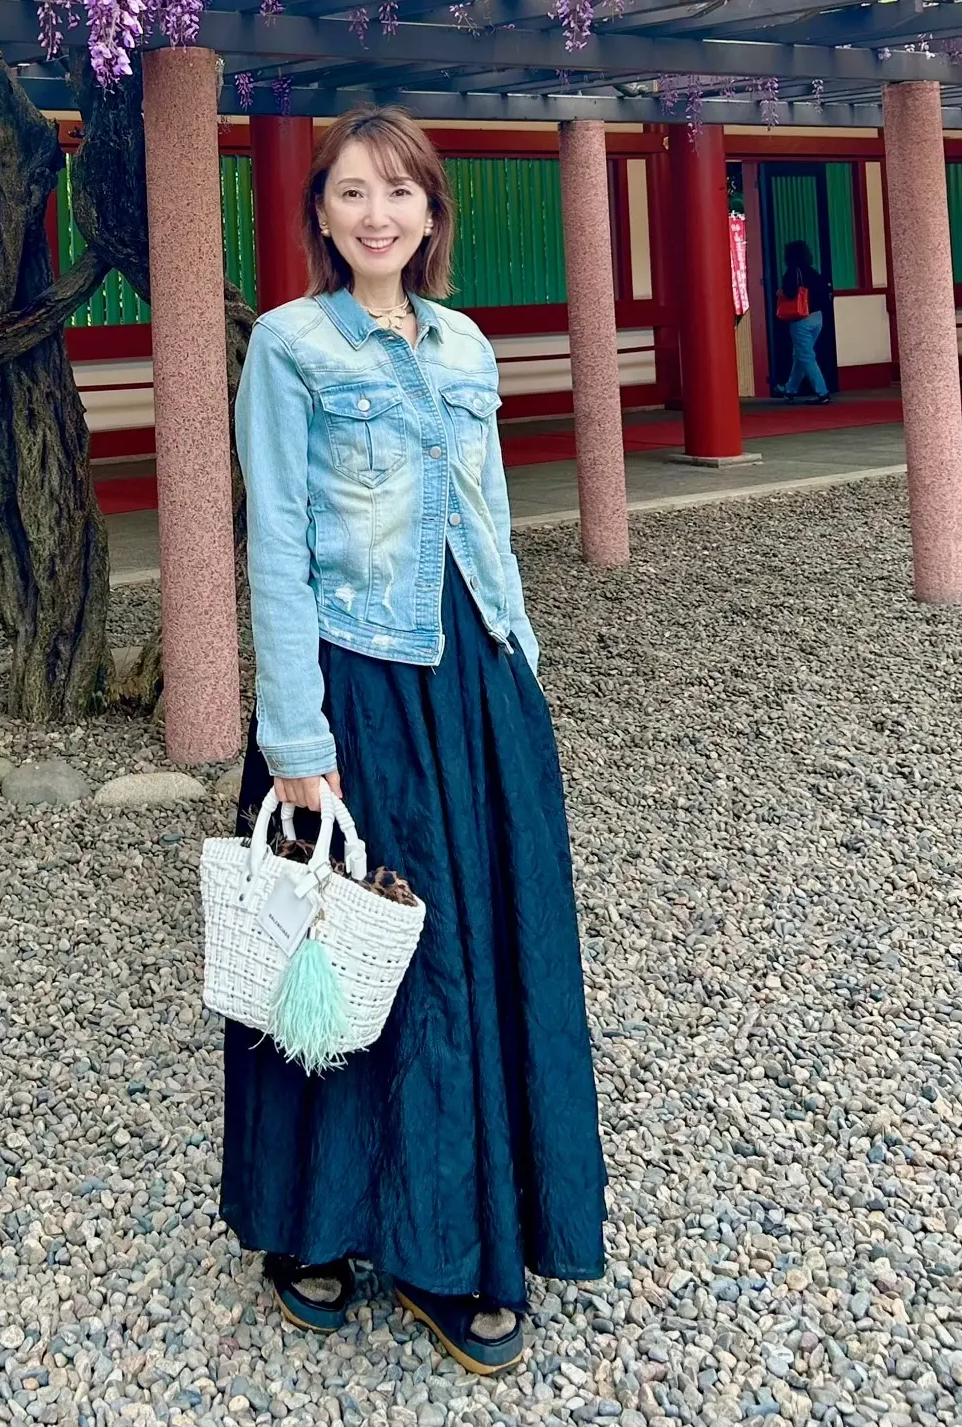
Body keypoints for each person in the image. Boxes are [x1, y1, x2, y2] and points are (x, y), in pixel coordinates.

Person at [221, 106, 606, 1379]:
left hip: (474, 677)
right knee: (356, 947)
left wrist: (525, 664)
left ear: (432, 212)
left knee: (473, 953)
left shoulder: (462, 341)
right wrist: (292, 732)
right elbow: (272, 537)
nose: (375, 212)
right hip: (358, 676)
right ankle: (316, 1227)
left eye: (397, 191)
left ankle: (459, 1235)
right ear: (321, 217)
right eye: (349, 193)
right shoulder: (288, 345)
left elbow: (488, 514)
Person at [773, 238, 832, 402]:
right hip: (817, 317)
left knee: (805, 355)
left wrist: (780, 293)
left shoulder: (793, 271)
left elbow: (790, 292)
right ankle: (790, 389)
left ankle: (822, 392)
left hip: (801, 319)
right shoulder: (813, 272)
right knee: (800, 354)